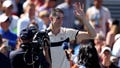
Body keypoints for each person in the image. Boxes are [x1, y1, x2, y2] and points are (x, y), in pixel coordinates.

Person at [47, 2, 96, 68]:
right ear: (51, 18)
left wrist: (84, 18)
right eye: (58, 18)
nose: (61, 21)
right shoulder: (43, 34)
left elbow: (93, 35)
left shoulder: (67, 32)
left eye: (62, 18)